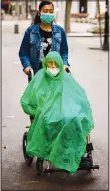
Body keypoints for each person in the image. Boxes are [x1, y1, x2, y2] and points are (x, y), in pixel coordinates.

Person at [20, 51, 94, 175]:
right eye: (50, 63)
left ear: (60, 64)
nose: (53, 67)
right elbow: (27, 99)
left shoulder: (66, 78)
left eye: (55, 64)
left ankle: (75, 153)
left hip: (67, 109)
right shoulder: (39, 77)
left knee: (74, 119)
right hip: (47, 111)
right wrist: (37, 110)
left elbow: (78, 96)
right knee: (51, 120)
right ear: (45, 64)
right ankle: (56, 152)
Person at [19, 0, 70, 76]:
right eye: (45, 11)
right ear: (39, 13)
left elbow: (64, 52)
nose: (48, 14)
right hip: (36, 74)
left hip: (55, 73)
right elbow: (23, 53)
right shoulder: (30, 31)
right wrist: (27, 66)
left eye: (51, 11)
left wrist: (65, 64)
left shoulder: (60, 31)